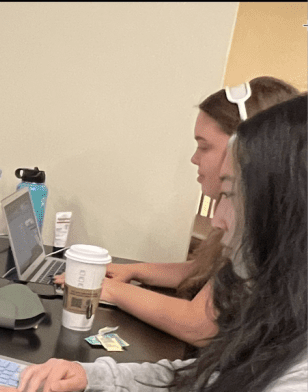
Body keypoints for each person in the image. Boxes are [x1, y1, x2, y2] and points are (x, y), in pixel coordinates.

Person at [0, 95, 308, 392]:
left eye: (231, 196)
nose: (218, 221)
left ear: (288, 210)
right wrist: (92, 378)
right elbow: (215, 378)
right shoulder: (287, 314)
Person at [57, 76, 300, 347]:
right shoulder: (243, 218)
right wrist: (133, 271)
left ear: (245, 148)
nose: (194, 158)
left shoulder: (265, 229)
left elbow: (199, 325)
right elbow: (204, 269)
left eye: (204, 146)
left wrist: (107, 290)